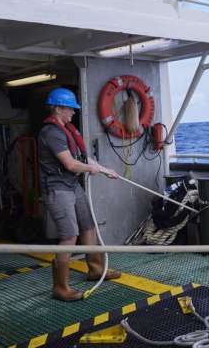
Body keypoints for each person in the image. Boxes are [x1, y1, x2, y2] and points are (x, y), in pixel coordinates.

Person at [38, 87, 121, 301]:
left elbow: (83, 160)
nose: (74, 113)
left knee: (88, 226)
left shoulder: (67, 130)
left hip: (72, 185)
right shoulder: (51, 133)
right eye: (70, 109)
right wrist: (90, 170)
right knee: (69, 235)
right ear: (58, 108)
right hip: (57, 188)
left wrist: (104, 170)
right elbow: (71, 164)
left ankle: (95, 269)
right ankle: (60, 287)